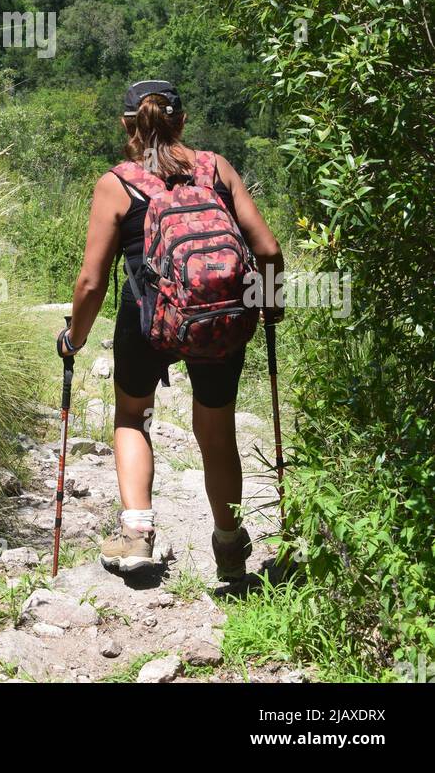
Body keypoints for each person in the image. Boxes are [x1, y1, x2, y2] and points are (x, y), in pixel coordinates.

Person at [57, 79, 284, 581]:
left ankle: (136, 534)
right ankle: (229, 546)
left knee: (133, 417)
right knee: (217, 430)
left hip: (146, 319)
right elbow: (267, 251)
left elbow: (92, 281)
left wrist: (74, 337)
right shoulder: (216, 169)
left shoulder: (117, 184)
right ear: (182, 120)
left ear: (127, 125)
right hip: (219, 318)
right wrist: (270, 307)